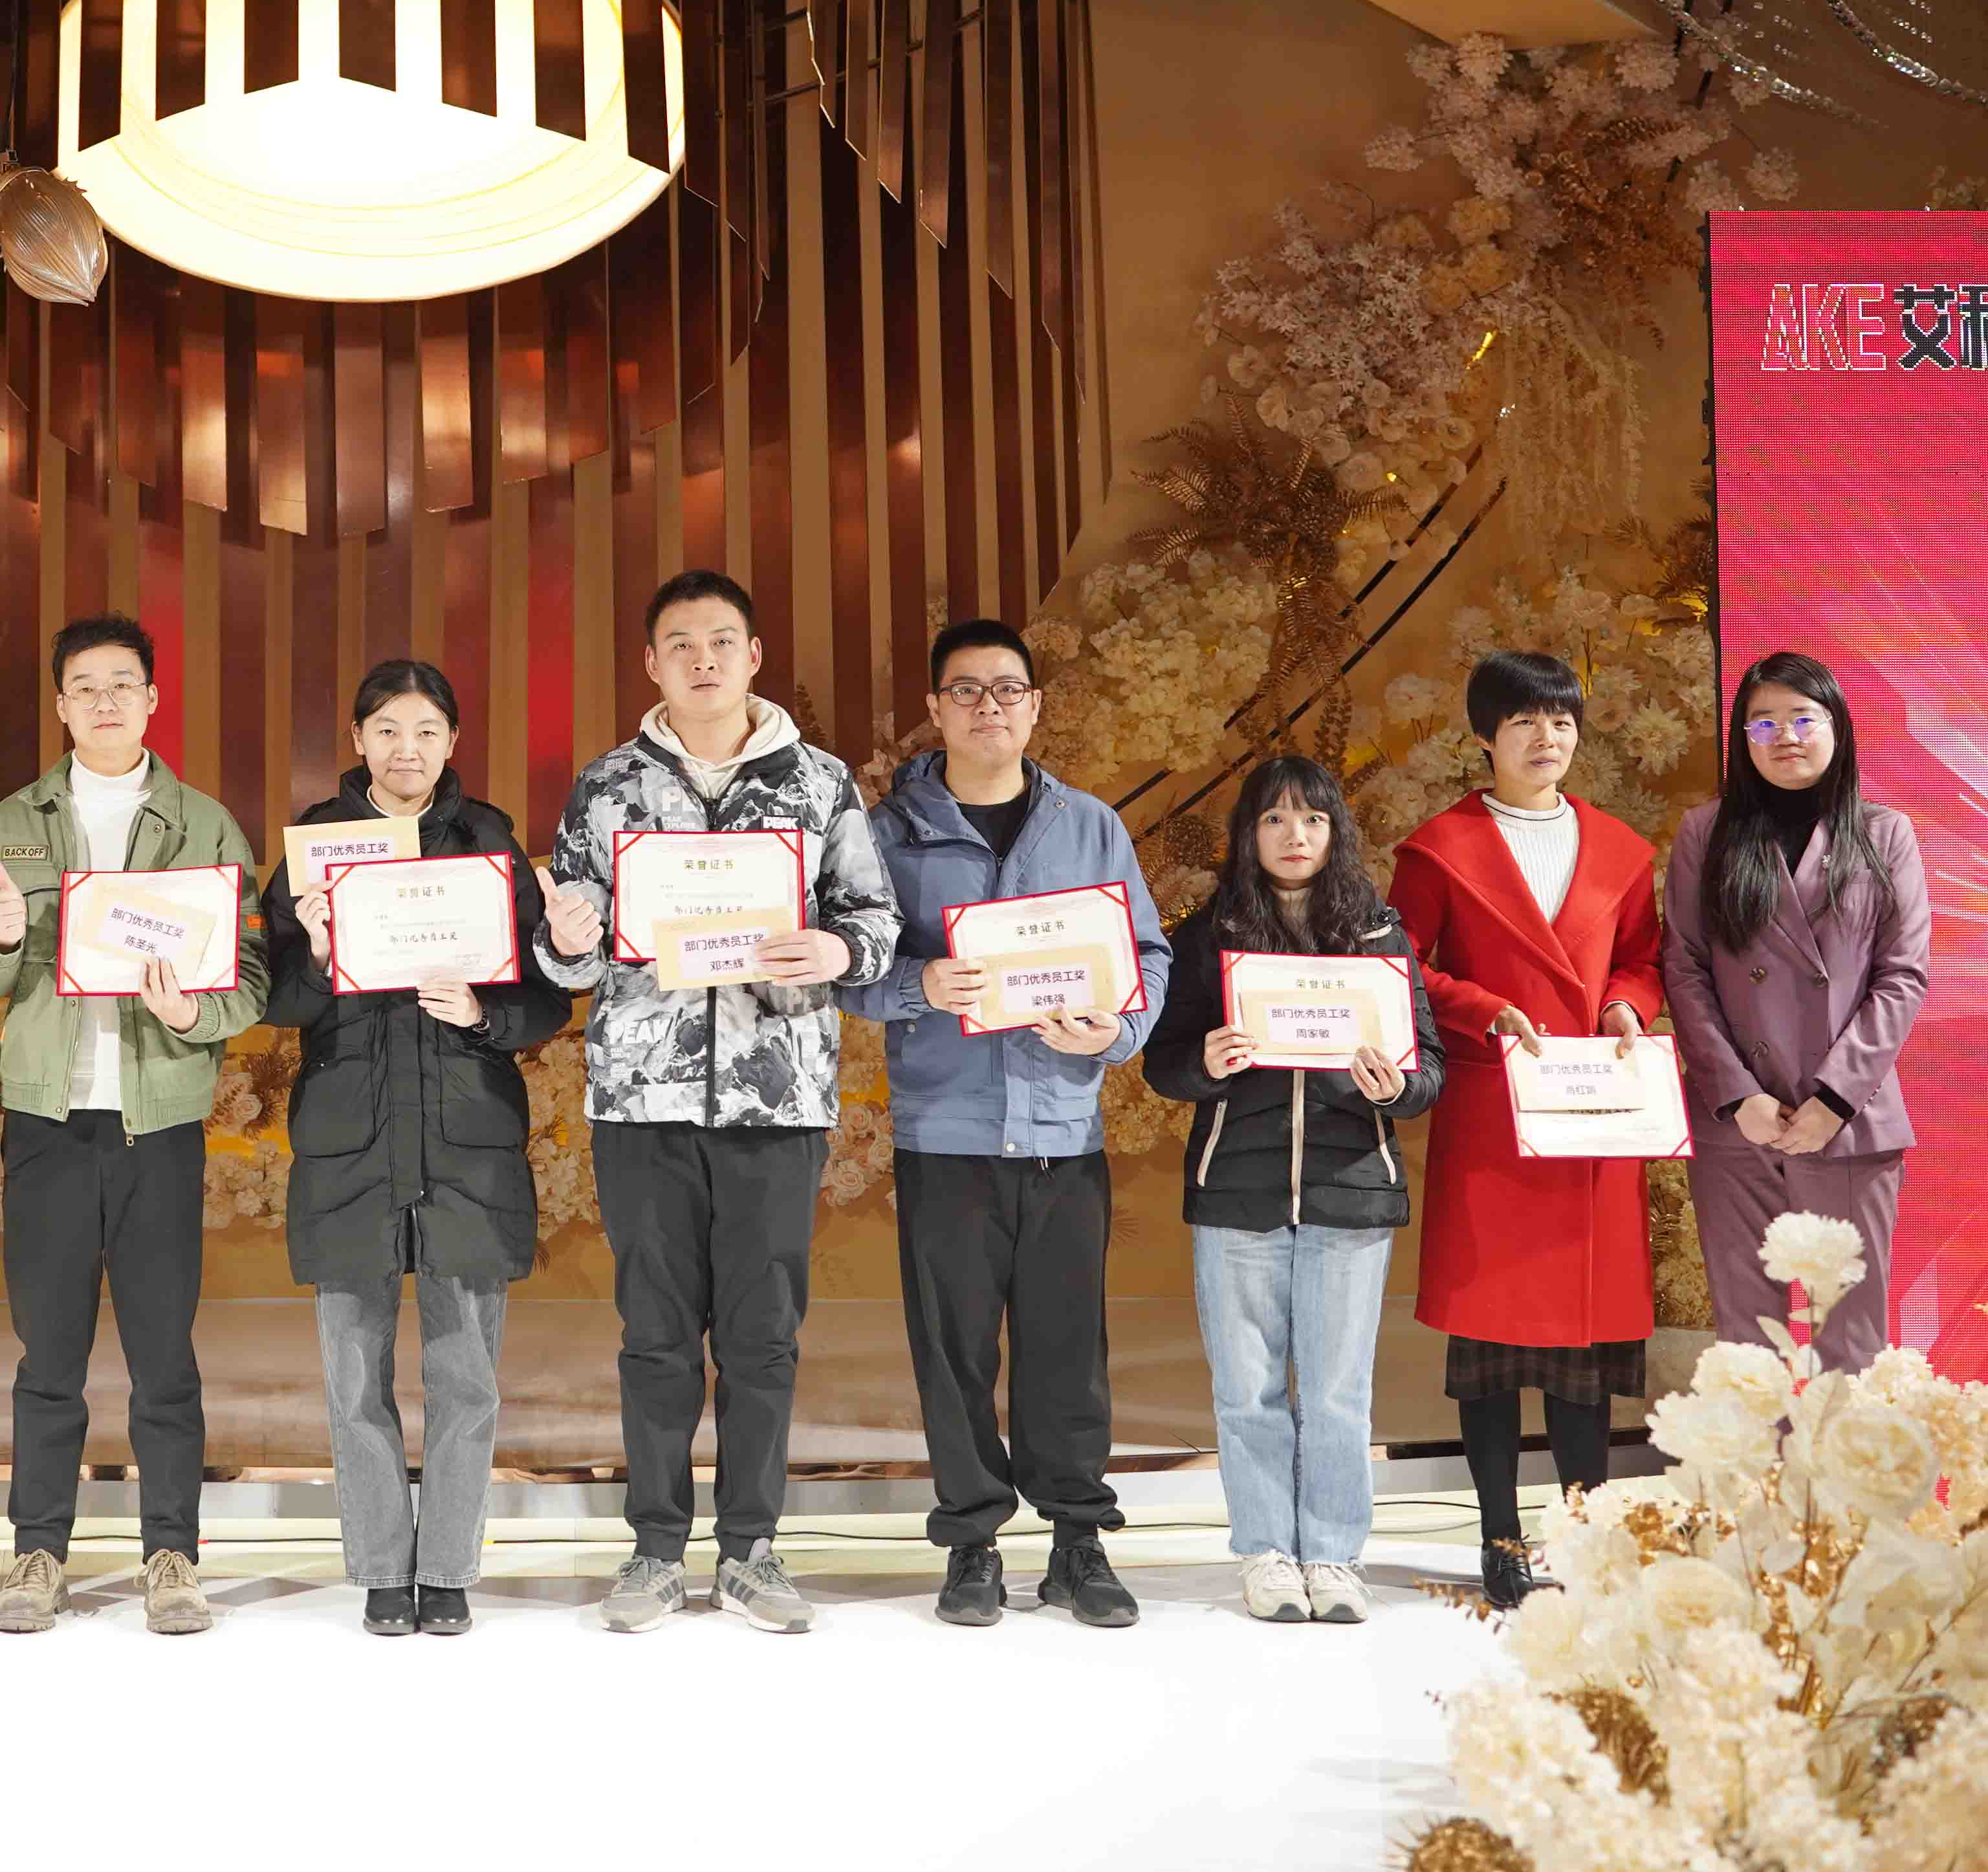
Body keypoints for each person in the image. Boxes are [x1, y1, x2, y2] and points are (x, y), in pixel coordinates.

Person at [532, 570, 901, 1635]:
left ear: (753, 656)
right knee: (653, 1332)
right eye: (681, 642)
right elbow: (571, 958)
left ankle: (750, 1547)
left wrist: (834, 948)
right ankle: (654, 1547)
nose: (703, 659)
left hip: (775, 1096)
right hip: (640, 1097)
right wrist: (566, 940)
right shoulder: (606, 786)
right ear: (651, 662)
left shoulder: (819, 781)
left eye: (722, 640)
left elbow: (875, 921)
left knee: (762, 1333)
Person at [840, 617, 1170, 1632]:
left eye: (1007, 689)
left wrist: (1117, 1029)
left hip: (1063, 1132)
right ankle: (972, 1539)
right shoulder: (887, 835)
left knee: (1067, 1350)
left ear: (1035, 706)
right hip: (945, 1134)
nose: (989, 706)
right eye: (966, 689)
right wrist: (919, 983)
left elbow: (1148, 956)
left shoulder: (1089, 824)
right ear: (934, 709)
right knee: (955, 1355)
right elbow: (846, 969)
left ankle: (1077, 1540)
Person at [0, 613, 269, 1636]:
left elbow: (252, 974)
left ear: (153, 699)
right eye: (83, 686)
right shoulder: (13, 824)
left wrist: (193, 1012)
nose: (104, 701)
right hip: (48, 1118)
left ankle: (172, 1554)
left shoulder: (202, 825)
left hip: (158, 1117)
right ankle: (37, 1550)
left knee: (164, 1353)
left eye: (122, 683)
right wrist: (5, 937)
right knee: (48, 1354)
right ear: (59, 705)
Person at [259, 661, 571, 1636]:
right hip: (349, 1135)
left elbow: (547, 1000)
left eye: (427, 730)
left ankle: (446, 1567)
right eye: (388, 729)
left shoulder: (490, 844)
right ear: (357, 739)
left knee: (465, 1373)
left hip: (465, 1136)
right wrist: (317, 954)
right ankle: (381, 1569)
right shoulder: (317, 846)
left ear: (452, 742)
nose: (407, 749)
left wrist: (482, 1013)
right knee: (354, 1376)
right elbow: (270, 999)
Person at [1388, 648, 1665, 1609]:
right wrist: (1480, 1009)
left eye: (1560, 721)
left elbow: (1643, 959)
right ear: (1484, 737)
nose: (1547, 738)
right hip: (1494, 1120)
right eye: (1524, 722)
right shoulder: (1439, 848)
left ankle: (1583, 1541)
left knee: (1584, 1357)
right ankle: (1500, 1539)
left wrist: (1628, 1003)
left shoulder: (1622, 850)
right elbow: (1400, 964)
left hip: (1591, 1120)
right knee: (1492, 1350)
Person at [1141, 756, 1441, 1626]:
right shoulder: (1209, 935)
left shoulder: (1378, 934)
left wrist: (1395, 1086)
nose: (1294, 834)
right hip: (1237, 1189)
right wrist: (1204, 1062)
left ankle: (1335, 1554)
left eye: (1311, 818)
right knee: (1247, 1390)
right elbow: (1163, 1062)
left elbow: (1427, 1066)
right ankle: (1267, 1550)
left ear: (1335, 831)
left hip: (1351, 1190)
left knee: (1340, 1391)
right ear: (1248, 835)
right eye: (1274, 819)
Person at [1661, 652, 1927, 1376]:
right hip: (1738, 1123)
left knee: (1849, 1341)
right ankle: (1766, 1465)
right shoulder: (1706, 832)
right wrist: (1736, 1094)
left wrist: (1834, 1098)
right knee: (1751, 1344)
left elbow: (1902, 977)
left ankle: (1843, 1462)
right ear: (1741, 739)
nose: (1785, 736)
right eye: (1763, 722)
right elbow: (1684, 968)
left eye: (1804, 718)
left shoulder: (1884, 833)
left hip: (1849, 1120)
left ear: (1837, 726)